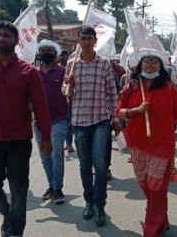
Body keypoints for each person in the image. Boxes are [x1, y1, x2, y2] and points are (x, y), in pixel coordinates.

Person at [0, 21, 52, 237]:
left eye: (6, 36)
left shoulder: (29, 71)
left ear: (16, 41)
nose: (1, 39)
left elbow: (41, 106)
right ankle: (9, 215)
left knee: (19, 190)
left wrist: (46, 137)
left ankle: (15, 231)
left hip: (19, 140)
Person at [116, 48, 177, 237]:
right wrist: (137, 111)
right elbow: (119, 112)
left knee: (156, 189)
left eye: (155, 61)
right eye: (146, 60)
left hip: (162, 145)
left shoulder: (169, 88)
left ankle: (152, 229)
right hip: (137, 144)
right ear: (140, 64)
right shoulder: (131, 87)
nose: (150, 64)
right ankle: (161, 218)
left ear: (161, 65)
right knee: (145, 185)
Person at [64, 26, 122, 227]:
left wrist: (115, 118)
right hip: (79, 121)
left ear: (95, 41)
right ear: (78, 41)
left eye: (90, 38)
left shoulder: (104, 64)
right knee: (84, 165)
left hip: (100, 121)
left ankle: (99, 204)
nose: (87, 42)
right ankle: (88, 200)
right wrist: (69, 84)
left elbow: (113, 93)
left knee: (100, 164)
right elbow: (66, 94)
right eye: (83, 38)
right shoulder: (72, 65)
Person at [33, 40, 68, 204]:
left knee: (56, 153)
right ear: (39, 53)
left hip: (59, 120)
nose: (46, 52)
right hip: (39, 122)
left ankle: (58, 188)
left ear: (55, 54)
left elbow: (70, 94)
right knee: (44, 155)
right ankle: (51, 185)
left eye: (49, 50)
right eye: (43, 50)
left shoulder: (63, 73)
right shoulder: (33, 73)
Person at [106, 55, 126, 180]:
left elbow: (117, 93)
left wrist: (116, 117)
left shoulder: (110, 69)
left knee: (105, 143)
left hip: (105, 115)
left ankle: (105, 167)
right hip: (83, 118)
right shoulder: (76, 67)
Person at [57, 50, 74, 153]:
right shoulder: (57, 69)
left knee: (68, 123)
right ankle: (64, 143)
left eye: (65, 55)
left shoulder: (70, 69)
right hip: (58, 102)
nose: (63, 57)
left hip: (68, 101)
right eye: (62, 56)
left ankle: (69, 144)